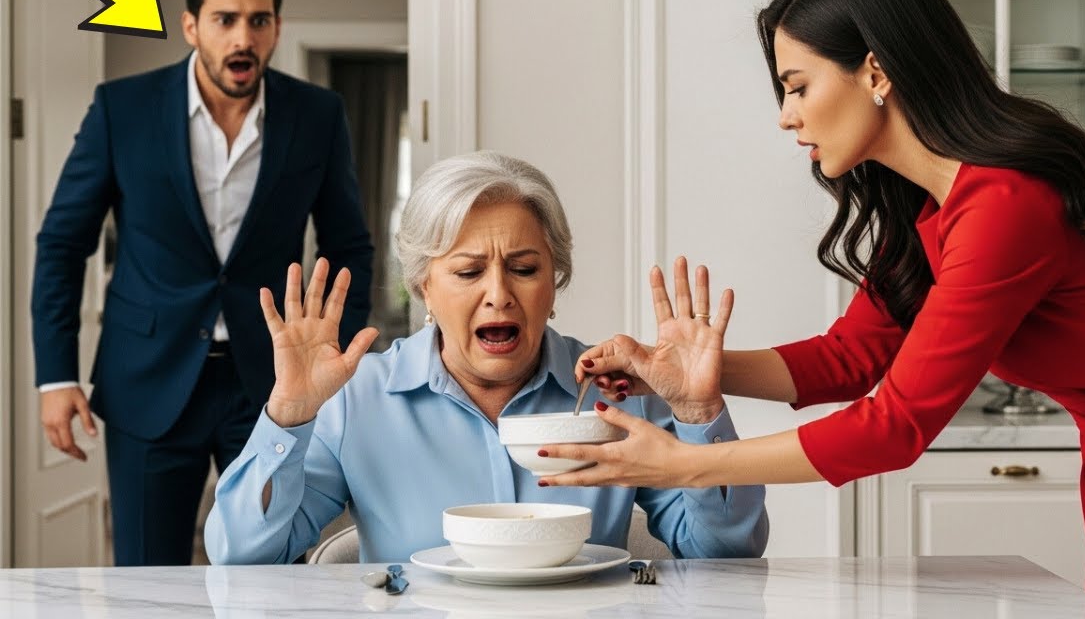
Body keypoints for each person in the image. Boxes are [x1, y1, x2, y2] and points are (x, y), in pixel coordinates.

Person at [538, 0, 1085, 619]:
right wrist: (684, 373)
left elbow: (895, 426)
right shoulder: (932, 207)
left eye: (797, 86)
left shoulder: (1005, 204)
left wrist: (685, 463)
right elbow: (850, 359)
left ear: (875, 70)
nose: (785, 115)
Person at [203, 151, 768, 564]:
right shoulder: (357, 400)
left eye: (524, 268)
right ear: (424, 286)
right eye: (469, 272)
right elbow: (243, 554)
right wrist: (288, 416)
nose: (499, 294)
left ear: (555, 280)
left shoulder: (617, 391)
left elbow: (726, 552)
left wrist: (698, 411)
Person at [32, 0, 374, 566]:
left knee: (271, 565)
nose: (243, 37)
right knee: (144, 576)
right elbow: (62, 242)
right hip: (147, 378)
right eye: (224, 19)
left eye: (259, 20)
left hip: (272, 383)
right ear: (191, 25)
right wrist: (56, 376)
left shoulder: (318, 114)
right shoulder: (123, 108)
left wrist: (337, 361)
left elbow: (348, 243)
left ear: (276, 27)